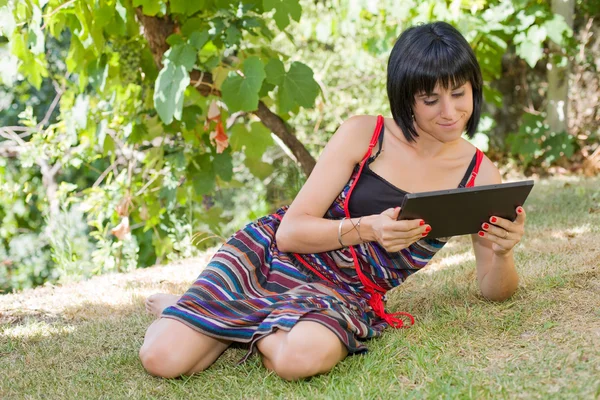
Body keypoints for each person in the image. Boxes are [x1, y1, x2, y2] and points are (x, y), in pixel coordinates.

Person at [139, 21, 526, 381]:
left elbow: (494, 290)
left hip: (343, 292)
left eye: (459, 94)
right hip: (273, 257)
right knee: (161, 359)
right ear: (406, 98)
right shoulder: (365, 135)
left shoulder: (479, 175)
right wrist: (370, 228)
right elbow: (289, 233)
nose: (450, 112)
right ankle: (205, 312)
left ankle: (225, 320)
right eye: (431, 99)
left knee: (298, 361)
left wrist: (505, 253)